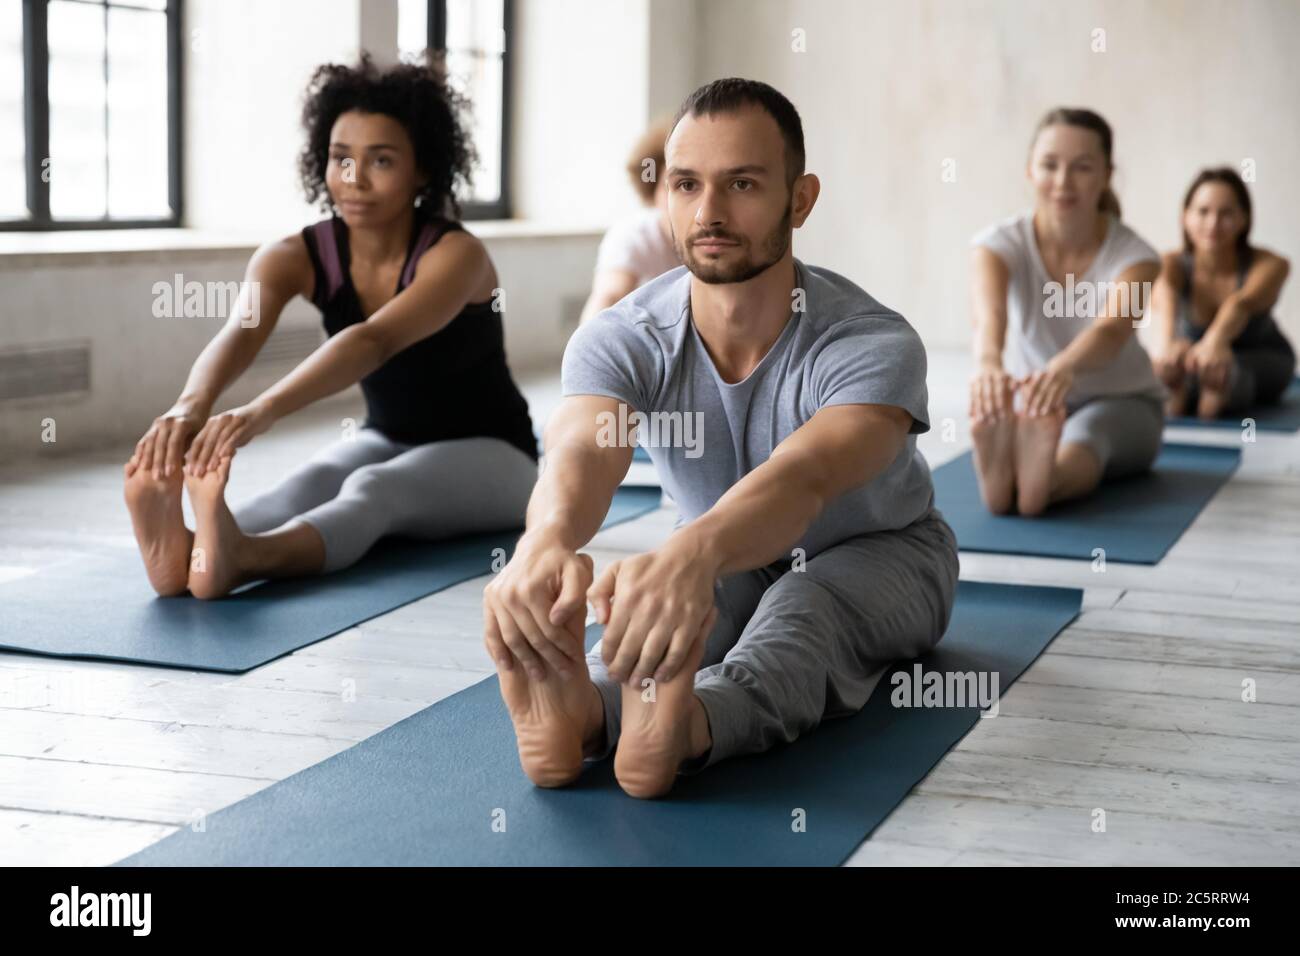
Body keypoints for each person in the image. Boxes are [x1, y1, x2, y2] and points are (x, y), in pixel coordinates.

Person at [482, 78, 958, 800]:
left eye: (741, 183)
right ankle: (584, 714)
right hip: (722, 553)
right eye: (686, 184)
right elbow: (584, 447)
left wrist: (691, 550)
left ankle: (691, 727)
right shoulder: (624, 335)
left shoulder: (870, 339)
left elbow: (807, 477)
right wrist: (544, 541)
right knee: (678, 617)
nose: (708, 212)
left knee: (803, 607)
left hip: (885, 554)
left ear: (799, 199)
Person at [123, 54, 537, 599]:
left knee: (375, 488)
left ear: (423, 170)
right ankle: (198, 545)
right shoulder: (293, 255)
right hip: (386, 436)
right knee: (311, 480)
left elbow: (374, 340)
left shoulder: (456, 255)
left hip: (498, 456)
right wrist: (189, 407)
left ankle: (245, 558)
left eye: (381, 161)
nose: (354, 179)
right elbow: (240, 332)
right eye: (341, 158)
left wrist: (259, 411)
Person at [968, 107, 1165, 516]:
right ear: (1029, 171)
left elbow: (1112, 330)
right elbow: (990, 318)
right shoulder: (996, 245)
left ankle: (1040, 481)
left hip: (1123, 402)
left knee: (1088, 434)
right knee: (1043, 423)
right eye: (1049, 165)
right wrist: (989, 365)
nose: (1062, 182)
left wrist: (1062, 369)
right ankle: (1016, 480)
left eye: (1082, 167)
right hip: (1034, 404)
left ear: (1107, 174)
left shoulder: (1137, 257)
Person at [1149, 167, 1295, 419]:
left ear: (1244, 219)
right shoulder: (1169, 264)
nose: (1213, 223)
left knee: (1223, 375)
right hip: (1192, 365)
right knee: (1171, 381)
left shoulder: (1271, 264)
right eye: (1203, 212)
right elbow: (1165, 297)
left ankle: (1215, 394)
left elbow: (1241, 304)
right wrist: (1168, 347)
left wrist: (1215, 343)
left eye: (1226, 213)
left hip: (1261, 360)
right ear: (1185, 217)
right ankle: (1187, 390)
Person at [576, 119, 681, 325]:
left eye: (688, 185)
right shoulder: (634, 235)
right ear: (651, 190)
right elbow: (608, 297)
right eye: (670, 185)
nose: (675, 197)